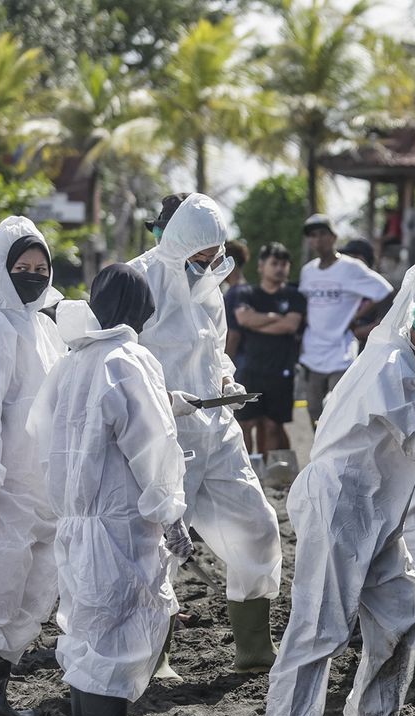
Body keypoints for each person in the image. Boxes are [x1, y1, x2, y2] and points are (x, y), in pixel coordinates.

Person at [264, 287, 415, 716]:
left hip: (375, 512)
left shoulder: (410, 360)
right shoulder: (391, 366)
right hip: (341, 505)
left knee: (403, 609)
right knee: (320, 622)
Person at [28, 265, 193, 716]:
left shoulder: (74, 360)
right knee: (119, 625)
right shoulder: (129, 358)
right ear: (141, 308)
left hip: (77, 519)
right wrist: (171, 512)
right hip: (120, 518)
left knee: (85, 625)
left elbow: (42, 433)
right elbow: (151, 445)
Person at [128, 192, 283, 675]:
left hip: (218, 430)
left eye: (213, 257)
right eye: (197, 259)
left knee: (257, 528)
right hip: (162, 437)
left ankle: (254, 650)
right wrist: (161, 400)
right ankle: (156, 657)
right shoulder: (138, 281)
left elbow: (214, 352)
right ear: (174, 244)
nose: (207, 266)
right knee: (157, 548)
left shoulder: (211, 285)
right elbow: (113, 359)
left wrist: (226, 382)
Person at [0, 216, 66, 716]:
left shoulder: (46, 328)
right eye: (21, 267)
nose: (31, 275)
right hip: (4, 487)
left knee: (31, 595)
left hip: (42, 487)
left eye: (39, 267)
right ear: (0, 268)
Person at [297, 214, 392, 429]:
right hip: (313, 352)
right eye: (312, 236)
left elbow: (384, 291)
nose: (317, 240)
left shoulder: (351, 268)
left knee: (338, 405)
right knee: (313, 409)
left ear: (333, 237)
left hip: (342, 350)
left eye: (322, 234)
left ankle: (338, 456)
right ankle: (319, 455)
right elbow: (305, 304)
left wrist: (358, 318)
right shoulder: (308, 271)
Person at [233, 243, 305, 455]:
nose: (280, 268)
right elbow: (244, 318)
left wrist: (258, 321)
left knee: (273, 426)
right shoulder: (247, 293)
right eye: (274, 263)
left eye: (284, 263)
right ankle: (245, 473)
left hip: (281, 371)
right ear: (261, 266)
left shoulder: (294, 295)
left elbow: (290, 325)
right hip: (250, 370)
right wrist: (274, 318)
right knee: (246, 425)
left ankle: (269, 478)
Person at [222, 239, 250, 371]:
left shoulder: (234, 293)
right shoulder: (247, 289)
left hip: (237, 361)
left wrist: (224, 369)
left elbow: (233, 335)